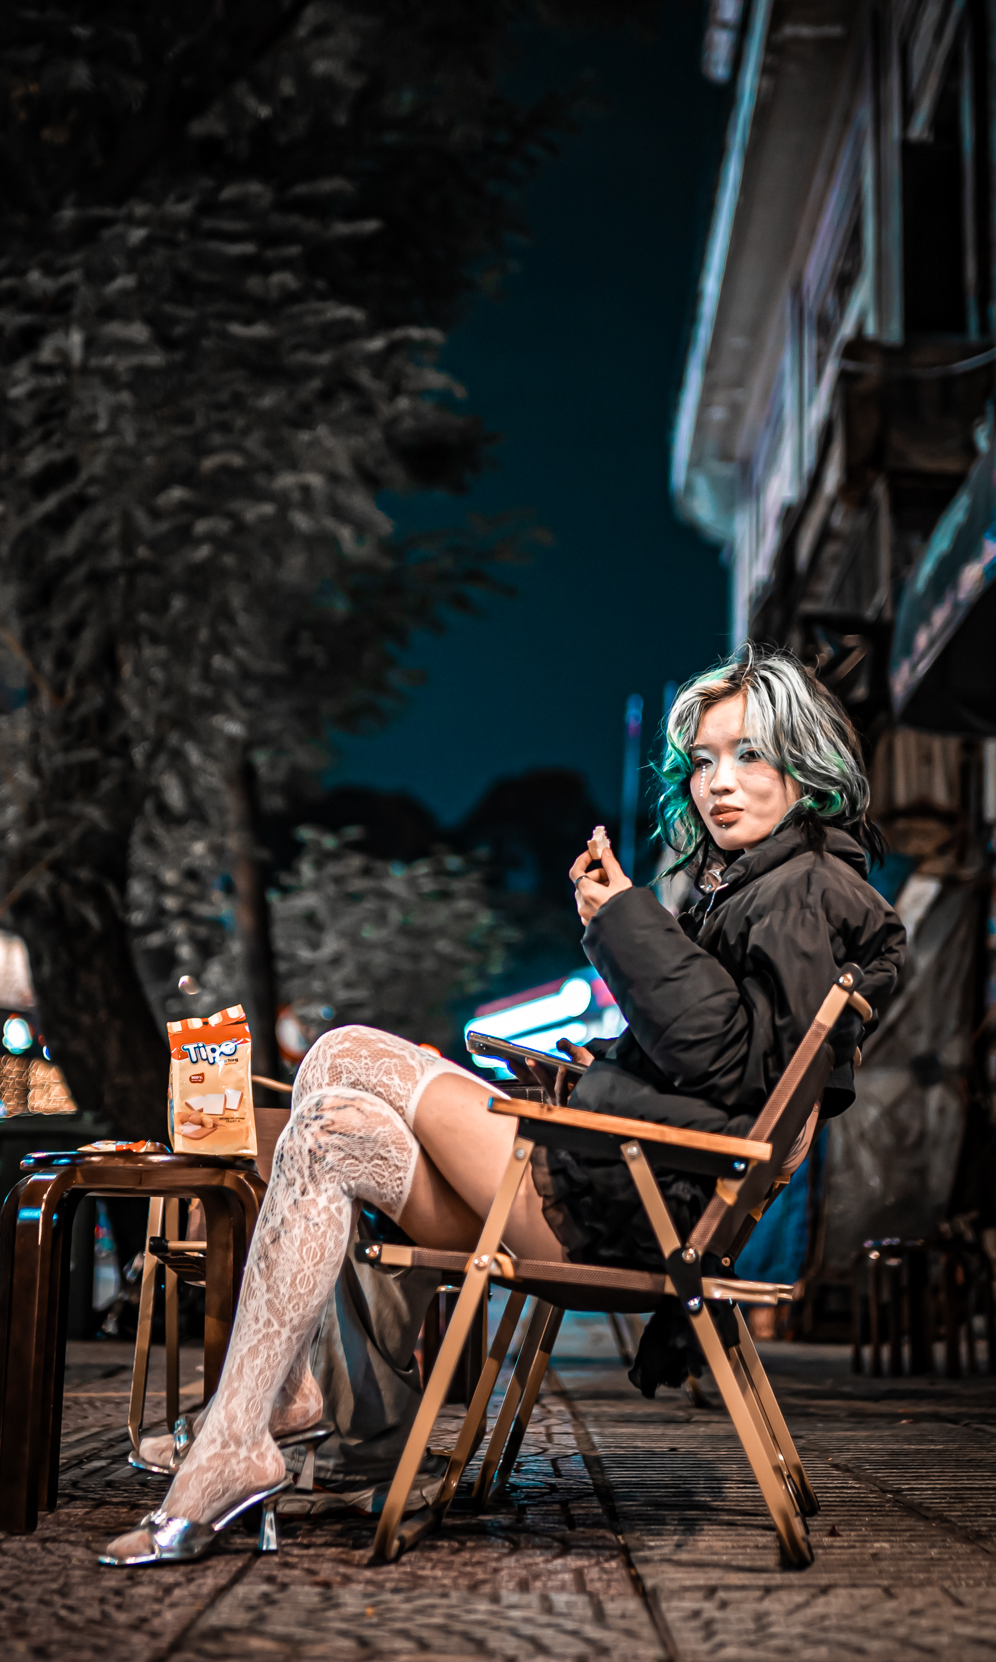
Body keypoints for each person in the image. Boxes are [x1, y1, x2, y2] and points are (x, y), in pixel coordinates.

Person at [102, 642, 904, 1566]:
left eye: (750, 755)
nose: (719, 783)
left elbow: (719, 1060)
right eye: (704, 760)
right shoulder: (759, 886)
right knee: (326, 1132)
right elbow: (710, 1055)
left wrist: (621, 921)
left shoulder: (801, 892)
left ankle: (280, 1414)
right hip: (619, 1182)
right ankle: (269, 1419)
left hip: (618, 1203)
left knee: (341, 1052)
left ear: (804, 770)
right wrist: (607, 1008)